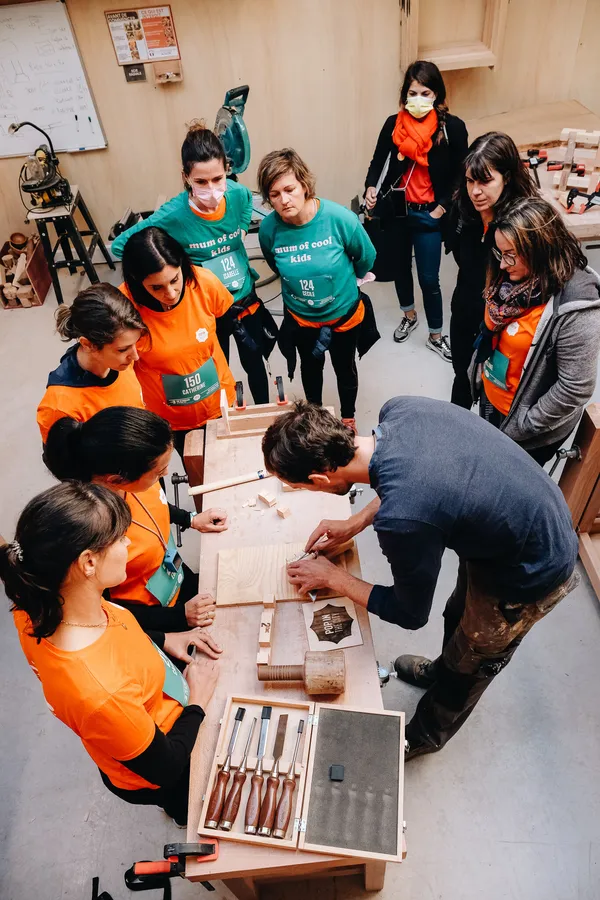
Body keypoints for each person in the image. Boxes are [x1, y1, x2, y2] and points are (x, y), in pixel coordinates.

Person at [261, 398, 579, 759]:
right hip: (507, 526)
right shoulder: (399, 410)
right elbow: (418, 473)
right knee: (457, 612)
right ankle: (441, 668)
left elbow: (410, 613)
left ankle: (427, 733)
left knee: (473, 659)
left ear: (319, 477)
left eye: (304, 487)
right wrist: (356, 521)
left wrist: (334, 578)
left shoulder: (402, 521)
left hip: (532, 567)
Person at [0, 482, 221, 826]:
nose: (129, 543)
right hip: (161, 760)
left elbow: (115, 628)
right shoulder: (101, 693)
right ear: (88, 562)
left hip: (149, 710)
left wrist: (163, 638)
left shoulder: (46, 602)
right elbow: (166, 767)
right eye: (120, 539)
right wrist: (198, 703)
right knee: (187, 803)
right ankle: (183, 815)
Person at [111, 122, 277, 404]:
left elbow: (248, 200)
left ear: (227, 169)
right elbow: (120, 245)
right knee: (214, 367)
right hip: (205, 309)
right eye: (200, 182)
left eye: (217, 179)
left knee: (255, 363)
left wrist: (239, 229)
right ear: (186, 177)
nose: (212, 189)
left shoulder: (236, 194)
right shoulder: (173, 214)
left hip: (244, 298)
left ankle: (261, 414)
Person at [44, 406, 227, 632]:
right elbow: (104, 609)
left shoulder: (140, 482)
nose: (166, 474)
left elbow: (157, 503)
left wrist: (190, 519)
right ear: (117, 479)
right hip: (152, 618)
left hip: (175, 576)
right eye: (159, 472)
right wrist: (178, 618)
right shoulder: (90, 534)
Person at [258, 148, 379, 432]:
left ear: (304, 184)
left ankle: (348, 419)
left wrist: (348, 281)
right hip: (302, 319)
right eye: (274, 194)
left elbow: (366, 257)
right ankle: (315, 421)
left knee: (344, 368)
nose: (284, 200)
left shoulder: (340, 220)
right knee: (311, 371)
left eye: (289, 189)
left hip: (343, 317)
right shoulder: (269, 229)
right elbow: (274, 263)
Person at [472, 196, 600, 466]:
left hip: (526, 431)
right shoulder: (512, 276)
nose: (503, 265)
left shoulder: (577, 307)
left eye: (510, 255)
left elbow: (574, 389)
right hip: (493, 399)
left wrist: (523, 424)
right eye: (499, 253)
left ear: (540, 249)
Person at [364, 60, 468, 360]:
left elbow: (463, 174)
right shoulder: (393, 125)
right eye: (413, 93)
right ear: (404, 95)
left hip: (430, 215)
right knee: (399, 269)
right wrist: (371, 187)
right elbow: (377, 163)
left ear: (437, 95)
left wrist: (442, 209)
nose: (419, 100)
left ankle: (436, 334)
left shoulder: (452, 128)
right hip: (398, 210)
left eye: (426, 93)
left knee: (429, 279)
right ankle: (409, 316)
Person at [120, 227, 236, 460]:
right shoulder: (123, 309)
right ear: (136, 281)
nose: (171, 293)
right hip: (171, 418)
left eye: (175, 280)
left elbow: (222, 328)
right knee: (196, 467)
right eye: (156, 287)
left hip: (219, 404)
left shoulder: (204, 282)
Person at [447, 132, 538, 408]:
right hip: (464, 314)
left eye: (485, 181)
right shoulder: (463, 211)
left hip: (505, 327)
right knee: (461, 379)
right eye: (470, 180)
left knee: (493, 398)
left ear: (507, 177)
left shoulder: (523, 224)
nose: (475, 191)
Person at [37, 285, 146, 443]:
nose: (135, 356)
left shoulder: (119, 363)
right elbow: (65, 464)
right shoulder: (59, 407)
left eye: (135, 344)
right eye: (123, 349)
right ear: (88, 344)